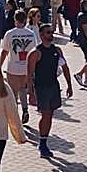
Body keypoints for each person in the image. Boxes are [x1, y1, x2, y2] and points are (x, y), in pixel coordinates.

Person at [26, 23, 73, 159]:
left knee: (50, 114)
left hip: (53, 86)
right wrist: (31, 93)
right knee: (46, 114)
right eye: (48, 33)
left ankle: (44, 140)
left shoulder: (57, 50)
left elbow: (65, 67)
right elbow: (29, 74)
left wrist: (69, 85)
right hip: (41, 88)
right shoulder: (35, 53)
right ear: (41, 35)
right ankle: (42, 143)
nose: (50, 35)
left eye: (52, 32)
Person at [0, 8, 37, 124]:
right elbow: (35, 51)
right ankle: (25, 110)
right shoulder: (31, 34)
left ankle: (15, 115)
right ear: (25, 20)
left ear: (15, 20)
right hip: (26, 69)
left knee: (13, 93)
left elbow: (5, 51)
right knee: (23, 90)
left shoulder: (10, 34)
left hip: (13, 68)